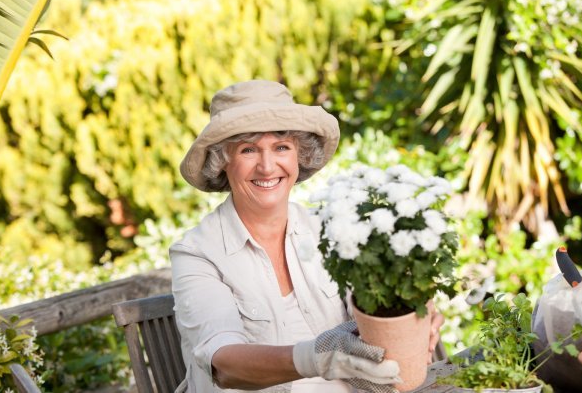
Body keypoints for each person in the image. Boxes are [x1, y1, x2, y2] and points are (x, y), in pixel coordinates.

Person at [170, 80, 444, 393]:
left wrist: (416, 318)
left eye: (281, 147)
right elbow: (223, 364)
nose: (267, 166)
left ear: (299, 155)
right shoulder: (198, 253)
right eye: (248, 150)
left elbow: (376, 311)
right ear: (222, 162)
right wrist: (315, 358)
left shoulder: (326, 228)